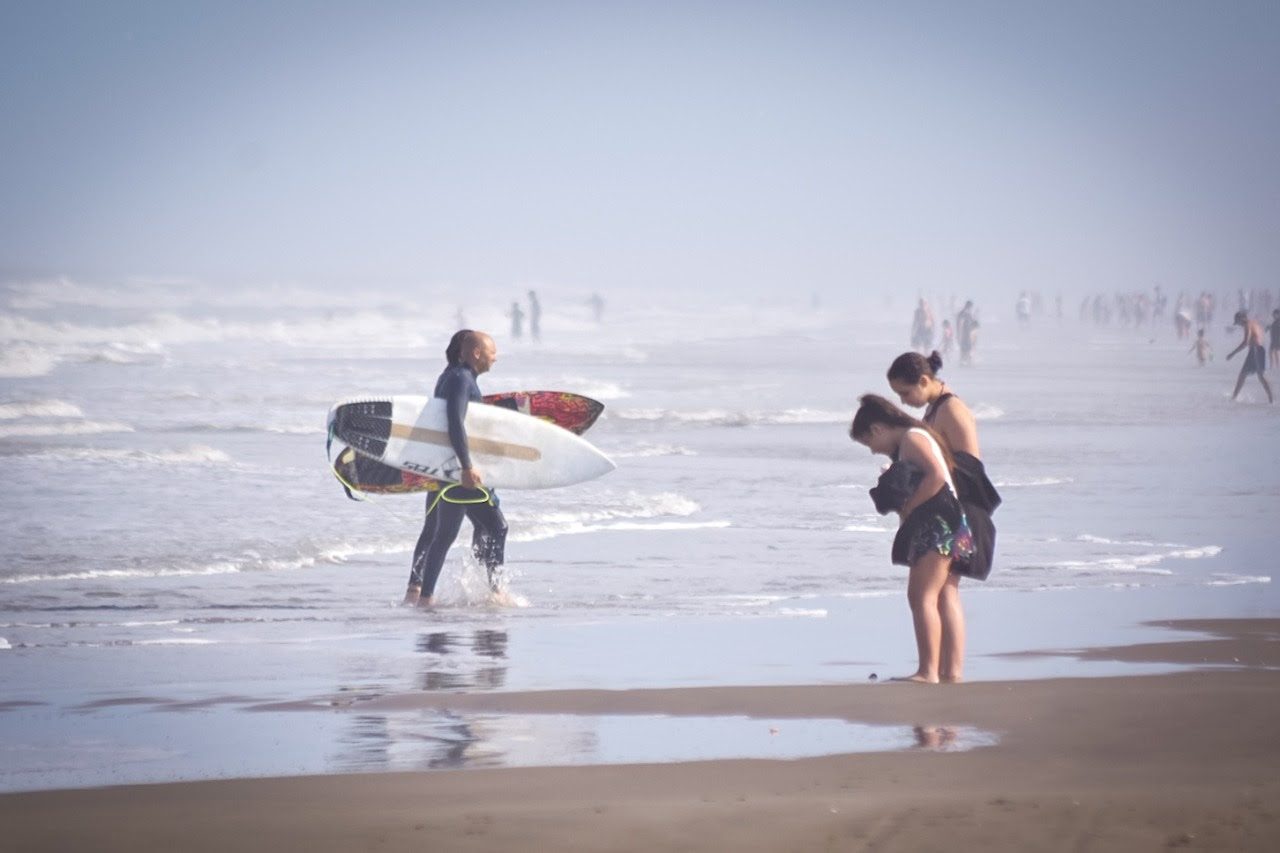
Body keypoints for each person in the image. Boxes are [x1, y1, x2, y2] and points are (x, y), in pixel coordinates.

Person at [850, 394, 974, 684]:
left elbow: (936, 478)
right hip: (952, 521)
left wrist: (908, 506)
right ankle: (950, 672)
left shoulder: (911, 439)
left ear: (878, 429)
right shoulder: (916, 436)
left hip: (938, 523)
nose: (872, 451)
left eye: (869, 443)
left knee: (921, 597)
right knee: (944, 595)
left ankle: (928, 671)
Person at [405, 330, 509, 607]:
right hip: (457, 472)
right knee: (495, 527)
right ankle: (494, 592)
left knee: (441, 532)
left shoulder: (453, 377)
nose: (495, 357)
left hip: (445, 469)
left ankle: (419, 594)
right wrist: (466, 466)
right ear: (477, 353)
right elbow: (455, 423)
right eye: (492, 352)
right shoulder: (461, 379)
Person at [886, 350, 999, 578]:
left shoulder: (952, 409)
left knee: (943, 590)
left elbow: (971, 469)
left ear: (924, 381)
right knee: (943, 590)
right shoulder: (934, 409)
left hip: (959, 512)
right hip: (945, 511)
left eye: (905, 393)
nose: (903, 401)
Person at [1226, 311, 1274, 403]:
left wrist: (1232, 354)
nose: (1239, 325)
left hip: (1256, 350)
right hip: (1258, 350)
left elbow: (1245, 342)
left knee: (1259, 376)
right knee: (1245, 375)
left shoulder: (1248, 325)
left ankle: (1271, 399)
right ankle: (1234, 398)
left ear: (1242, 318)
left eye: (1238, 322)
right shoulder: (1254, 322)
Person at [956, 301, 979, 365]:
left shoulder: (967, 314)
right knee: (965, 349)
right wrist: (959, 335)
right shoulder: (963, 314)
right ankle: (965, 361)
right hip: (964, 335)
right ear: (969, 306)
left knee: (966, 349)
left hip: (967, 334)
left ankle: (965, 361)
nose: (971, 309)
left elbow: (972, 323)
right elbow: (960, 324)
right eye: (971, 307)